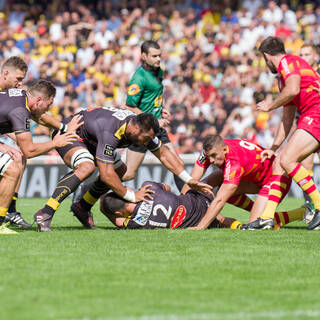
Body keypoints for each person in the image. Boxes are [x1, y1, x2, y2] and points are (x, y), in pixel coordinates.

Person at [34, 107, 212, 232]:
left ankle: (82, 206)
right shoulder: (111, 131)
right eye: (145, 138)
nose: (145, 142)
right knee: (87, 167)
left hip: (93, 140)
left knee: (121, 171)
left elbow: (164, 155)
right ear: (134, 127)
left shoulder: (142, 129)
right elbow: (105, 174)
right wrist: (131, 196)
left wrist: (188, 180)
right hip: (71, 134)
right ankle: (46, 212)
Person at [244, 36, 320, 230]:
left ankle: (318, 206)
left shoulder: (288, 62)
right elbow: (287, 119)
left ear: (267, 56)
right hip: (311, 116)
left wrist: (270, 105)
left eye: (264, 60)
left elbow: (293, 89)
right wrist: (274, 147)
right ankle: (267, 218)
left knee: (287, 160)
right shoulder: (282, 79)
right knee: (279, 162)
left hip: (316, 114)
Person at [0, 80, 78, 234]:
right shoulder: (20, 110)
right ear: (38, 100)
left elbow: (40, 117)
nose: (48, 109)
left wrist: (64, 128)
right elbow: (29, 150)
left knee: (18, 159)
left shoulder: (22, 96)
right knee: (12, 168)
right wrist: (55, 143)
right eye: (48, 105)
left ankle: (9, 211)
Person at [185, 135, 309, 230]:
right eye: (208, 156)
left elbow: (219, 200)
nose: (211, 160)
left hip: (276, 178)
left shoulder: (234, 162)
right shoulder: (215, 148)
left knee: (255, 225)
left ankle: (301, 213)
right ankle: (261, 212)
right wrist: (183, 201)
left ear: (224, 150)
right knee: (218, 178)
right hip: (256, 178)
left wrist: (200, 227)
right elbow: (192, 180)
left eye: (213, 156)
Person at [122, 40, 184, 185]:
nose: (158, 59)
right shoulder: (139, 78)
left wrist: (161, 108)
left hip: (158, 129)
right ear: (144, 56)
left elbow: (153, 96)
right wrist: (154, 121)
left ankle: (188, 204)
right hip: (141, 131)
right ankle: (93, 187)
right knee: (129, 174)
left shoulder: (159, 71)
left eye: (159, 56)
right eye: (154, 56)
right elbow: (129, 106)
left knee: (178, 165)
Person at [100, 178, 242, 230]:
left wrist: (103, 208)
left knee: (221, 220)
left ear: (118, 213)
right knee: (186, 186)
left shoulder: (135, 224)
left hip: (196, 221)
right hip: (199, 198)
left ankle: (240, 227)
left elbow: (119, 223)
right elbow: (167, 187)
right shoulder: (148, 187)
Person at [0, 56, 30, 227]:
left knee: (21, 156)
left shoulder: (7, 96)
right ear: (5, 73)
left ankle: (10, 209)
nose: (20, 84)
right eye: (18, 79)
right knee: (12, 163)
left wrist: (17, 138)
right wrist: (2, 145)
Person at [298, 44, 320, 210]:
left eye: (307, 54)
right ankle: (311, 207)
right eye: (301, 54)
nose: (303, 57)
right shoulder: (299, 77)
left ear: (315, 56)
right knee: (306, 167)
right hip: (307, 126)